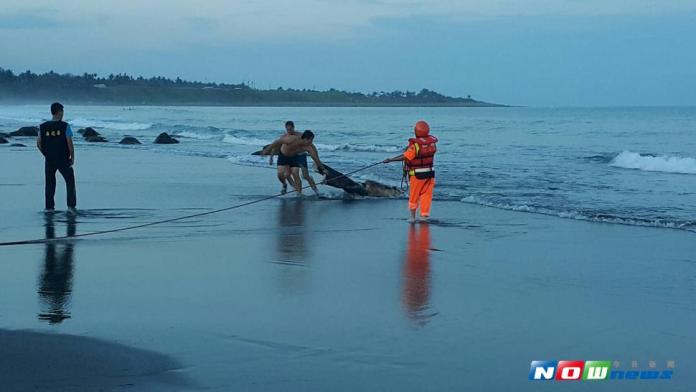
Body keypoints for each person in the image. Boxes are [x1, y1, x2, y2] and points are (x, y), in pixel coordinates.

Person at [384, 120, 437, 223]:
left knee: (414, 196)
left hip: (417, 175)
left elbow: (405, 156)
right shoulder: (432, 144)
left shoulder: (415, 146)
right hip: (430, 174)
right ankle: (424, 217)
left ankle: (412, 218)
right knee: (426, 196)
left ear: (416, 131)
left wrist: (390, 160)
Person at [37, 102, 77, 212]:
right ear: (59, 112)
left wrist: (45, 153)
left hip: (49, 158)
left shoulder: (42, 127)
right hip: (63, 158)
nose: (63, 114)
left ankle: (49, 208)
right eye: (62, 111)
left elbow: (39, 143)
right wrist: (72, 157)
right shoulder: (65, 126)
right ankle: (71, 206)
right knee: (70, 180)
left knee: (50, 183)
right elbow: (69, 143)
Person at [262, 130, 326, 195]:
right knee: (281, 174)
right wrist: (267, 150)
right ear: (306, 139)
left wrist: (323, 169)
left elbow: (315, 158)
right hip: (283, 156)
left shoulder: (308, 147)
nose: (311, 142)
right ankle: (284, 184)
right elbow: (277, 142)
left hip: (294, 157)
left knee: (295, 174)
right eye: (311, 140)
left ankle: (299, 193)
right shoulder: (291, 139)